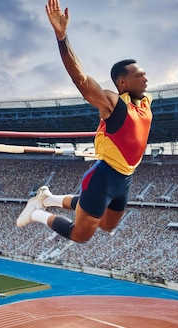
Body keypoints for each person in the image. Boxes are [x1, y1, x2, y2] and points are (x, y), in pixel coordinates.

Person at [16, 0, 152, 243]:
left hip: (125, 178)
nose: (146, 80)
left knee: (107, 226)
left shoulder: (145, 101)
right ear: (123, 84)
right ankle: (36, 212)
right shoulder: (113, 104)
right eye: (139, 76)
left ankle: (49, 199)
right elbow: (80, 78)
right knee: (80, 235)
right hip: (103, 177)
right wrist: (62, 38)